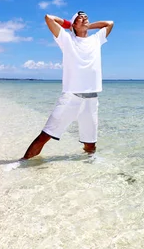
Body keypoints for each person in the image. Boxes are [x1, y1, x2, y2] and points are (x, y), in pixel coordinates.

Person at [21, 11, 114, 159]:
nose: (84, 19)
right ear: (73, 24)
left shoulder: (96, 39)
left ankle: (90, 163)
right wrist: (70, 25)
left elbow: (110, 23)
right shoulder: (66, 39)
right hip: (71, 97)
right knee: (45, 135)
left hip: (91, 99)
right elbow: (49, 18)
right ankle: (22, 162)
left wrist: (88, 26)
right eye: (80, 18)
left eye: (86, 17)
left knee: (90, 143)